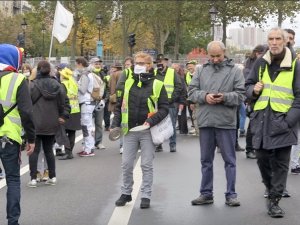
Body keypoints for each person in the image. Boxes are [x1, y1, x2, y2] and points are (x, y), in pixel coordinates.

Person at [245, 28, 300, 218]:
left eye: (278, 39)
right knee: (261, 158)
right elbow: (247, 86)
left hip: (284, 122)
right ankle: (270, 189)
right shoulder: (261, 63)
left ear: (285, 41)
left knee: (281, 163)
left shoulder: (295, 65)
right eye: (271, 39)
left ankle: (275, 201)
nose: (274, 42)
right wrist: (254, 89)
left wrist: (288, 122)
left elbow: (299, 98)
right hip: (261, 121)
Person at [189, 41, 245, 207]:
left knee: (230, 160)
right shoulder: (200, 70)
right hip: (206, 121)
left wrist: (225, 97)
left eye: (218, 56)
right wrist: (205, 96)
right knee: (206, 160)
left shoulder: (235, 71)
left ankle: (231, 194)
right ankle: (206, 193)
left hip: (226, 122)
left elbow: (241, 95)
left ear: (224, 52)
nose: (214, 59)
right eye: (211, 56)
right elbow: (191, 92)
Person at [112, 52, 169, 208]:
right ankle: (126, 193)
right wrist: (115, 124)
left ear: (149, 66)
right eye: (136, 63)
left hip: (148, 131)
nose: (138, 65)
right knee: (127, 164)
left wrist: (150, 121)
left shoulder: (158, 84)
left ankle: (146, 195)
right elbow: (120, 106)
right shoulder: (128, 82)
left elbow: (164, 109)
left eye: (141, 63)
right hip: (130, 130)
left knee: (146, 165)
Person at [0, 43, 35, 225]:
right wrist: (31, 138)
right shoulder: (18, 79)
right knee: (13, 179)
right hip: (9, 137)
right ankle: (13, 221)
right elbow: (27, 113)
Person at [28, 60, 68, 187]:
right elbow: (64, 102)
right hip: (52, 121)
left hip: (35, 121)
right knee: (49, 150)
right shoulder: (57, 85)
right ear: (50, 70)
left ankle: (33, 178)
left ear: (38, 70)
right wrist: (63, 116)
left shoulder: (32, 85)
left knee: (34, 151)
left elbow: (27, 104)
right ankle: (53, 176)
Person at [155, 54, 183, 152]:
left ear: (166, 63)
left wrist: (171, 99)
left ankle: (172, 144)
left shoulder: (172, 72)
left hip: (170, 103)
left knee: (171, 124)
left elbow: (178, 86)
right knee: (157, 125)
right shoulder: (154, 73)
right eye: (158, 62)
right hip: (157, 104)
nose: (160, 64)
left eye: (162, 62)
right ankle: (159, 144)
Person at [243, 44, 266, 159]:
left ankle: (256, 148)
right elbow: (248, 82)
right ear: (257, 53)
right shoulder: (250, 63)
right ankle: (249, 149)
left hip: (263, 98)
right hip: (253, 98)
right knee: (252, 125)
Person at [58, 67, 81, 160]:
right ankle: (70, 151)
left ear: (63, 76)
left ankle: (68, 152)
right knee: (72, 132)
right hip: (75, 110)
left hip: (66, 111)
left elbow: (61, 98)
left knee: (62, 132)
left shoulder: (63, 84)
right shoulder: (74, 83)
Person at [76, 57, 96, 157]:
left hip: (86, 102)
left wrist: (75, 84)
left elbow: (83, 90)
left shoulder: (85, 75)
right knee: (87, 126)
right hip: (88, 102)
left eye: (76, 64)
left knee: (86, 126)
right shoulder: (89, 74)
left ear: (80, 64)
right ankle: (87, 147)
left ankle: (88, 149)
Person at [89, 57, 107, 150]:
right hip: (90, 101)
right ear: (91, 64)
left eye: (99, 64)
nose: (98, 65)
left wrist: (104, 98)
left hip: (100, 101)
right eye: (96, 64)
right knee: (88, 124)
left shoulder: (103, 74)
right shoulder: (88, 74)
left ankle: (98, 142)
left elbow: (105, 87)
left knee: (99, 123)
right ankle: (88, 142)